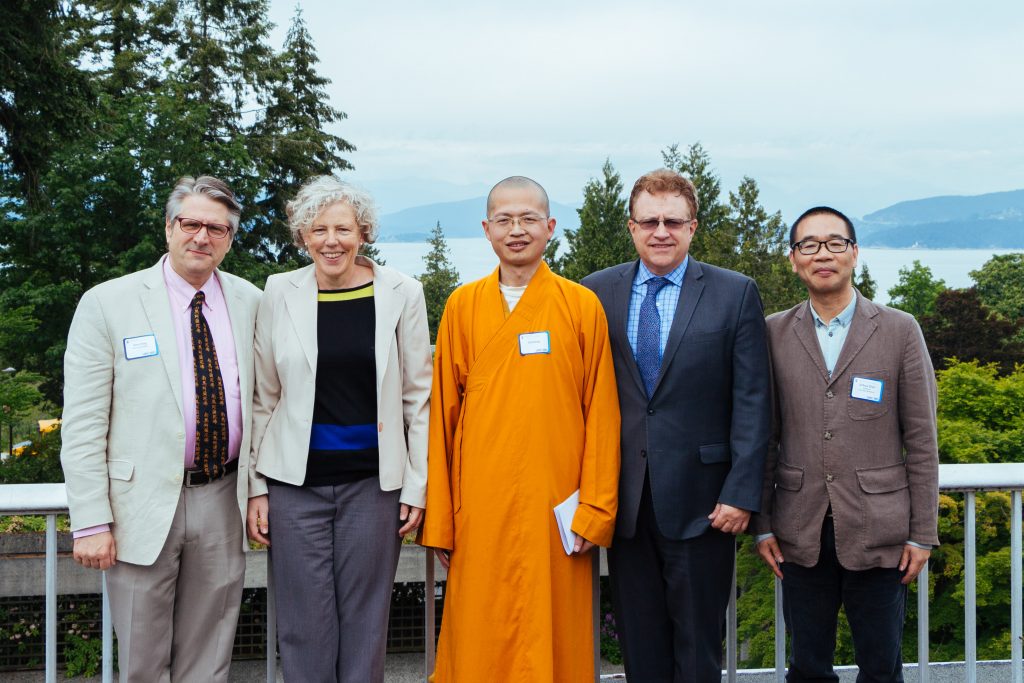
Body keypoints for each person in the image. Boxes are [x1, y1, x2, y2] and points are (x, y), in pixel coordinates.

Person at [60, 176, 262, 682]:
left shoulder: (252, 302)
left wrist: (259, 490)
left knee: (209, 655)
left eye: (216, 228)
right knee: (143, 661)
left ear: (230, 238)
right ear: (168, 227)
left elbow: (266, 404)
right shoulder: (109, 303)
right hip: (139, 505)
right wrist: (90, 521)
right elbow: (84, 423)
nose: (202, 236)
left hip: (222, 495)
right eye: (190, 223)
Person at [419, 176, 620, 682]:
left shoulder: (580, 306)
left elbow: (602, 415)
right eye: (505, 220)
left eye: (528, 219)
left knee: (553, 636)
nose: (517, 230)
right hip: (479, 508)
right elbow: (441, 415)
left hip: (557, 510)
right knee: (479, 633)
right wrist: (441, 518)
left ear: (549, 227)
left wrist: (594, 510)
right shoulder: (463, 306)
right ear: (487, 230)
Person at [581, 168, 771, 682]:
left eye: (672, 221)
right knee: (640, 651)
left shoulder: (735, 293)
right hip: (623, 503)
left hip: (706, 505)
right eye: (649, 221)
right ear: (631, 227)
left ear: (692, 227)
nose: (660, 231)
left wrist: (742, 493)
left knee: (699, 647)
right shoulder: (594, 293)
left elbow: (753, 399)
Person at [245, 175, 431, 682]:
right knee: (302, 624)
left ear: (363, 233)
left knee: (367, 621)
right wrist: (257, 487)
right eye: (319, 229)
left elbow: (419, 398)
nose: (332, 240)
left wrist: (417, 484)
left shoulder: (401, 293)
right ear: (303, 236)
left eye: (344, 229)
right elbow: (265, 397)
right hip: (293, 486)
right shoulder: (279, 291)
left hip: (373, 486)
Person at [752, 206, 939, 682]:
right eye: (808, 245)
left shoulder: (899, 329)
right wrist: (763, 524)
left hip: (881, 532)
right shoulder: (772, 332)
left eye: (835, 243)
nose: (823, 254)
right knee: (808, 667)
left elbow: (921, 440)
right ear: (793, 260)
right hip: (800, 530)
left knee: (881, 666)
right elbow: (764, 436)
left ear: (854, 253)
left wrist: (923, 533)